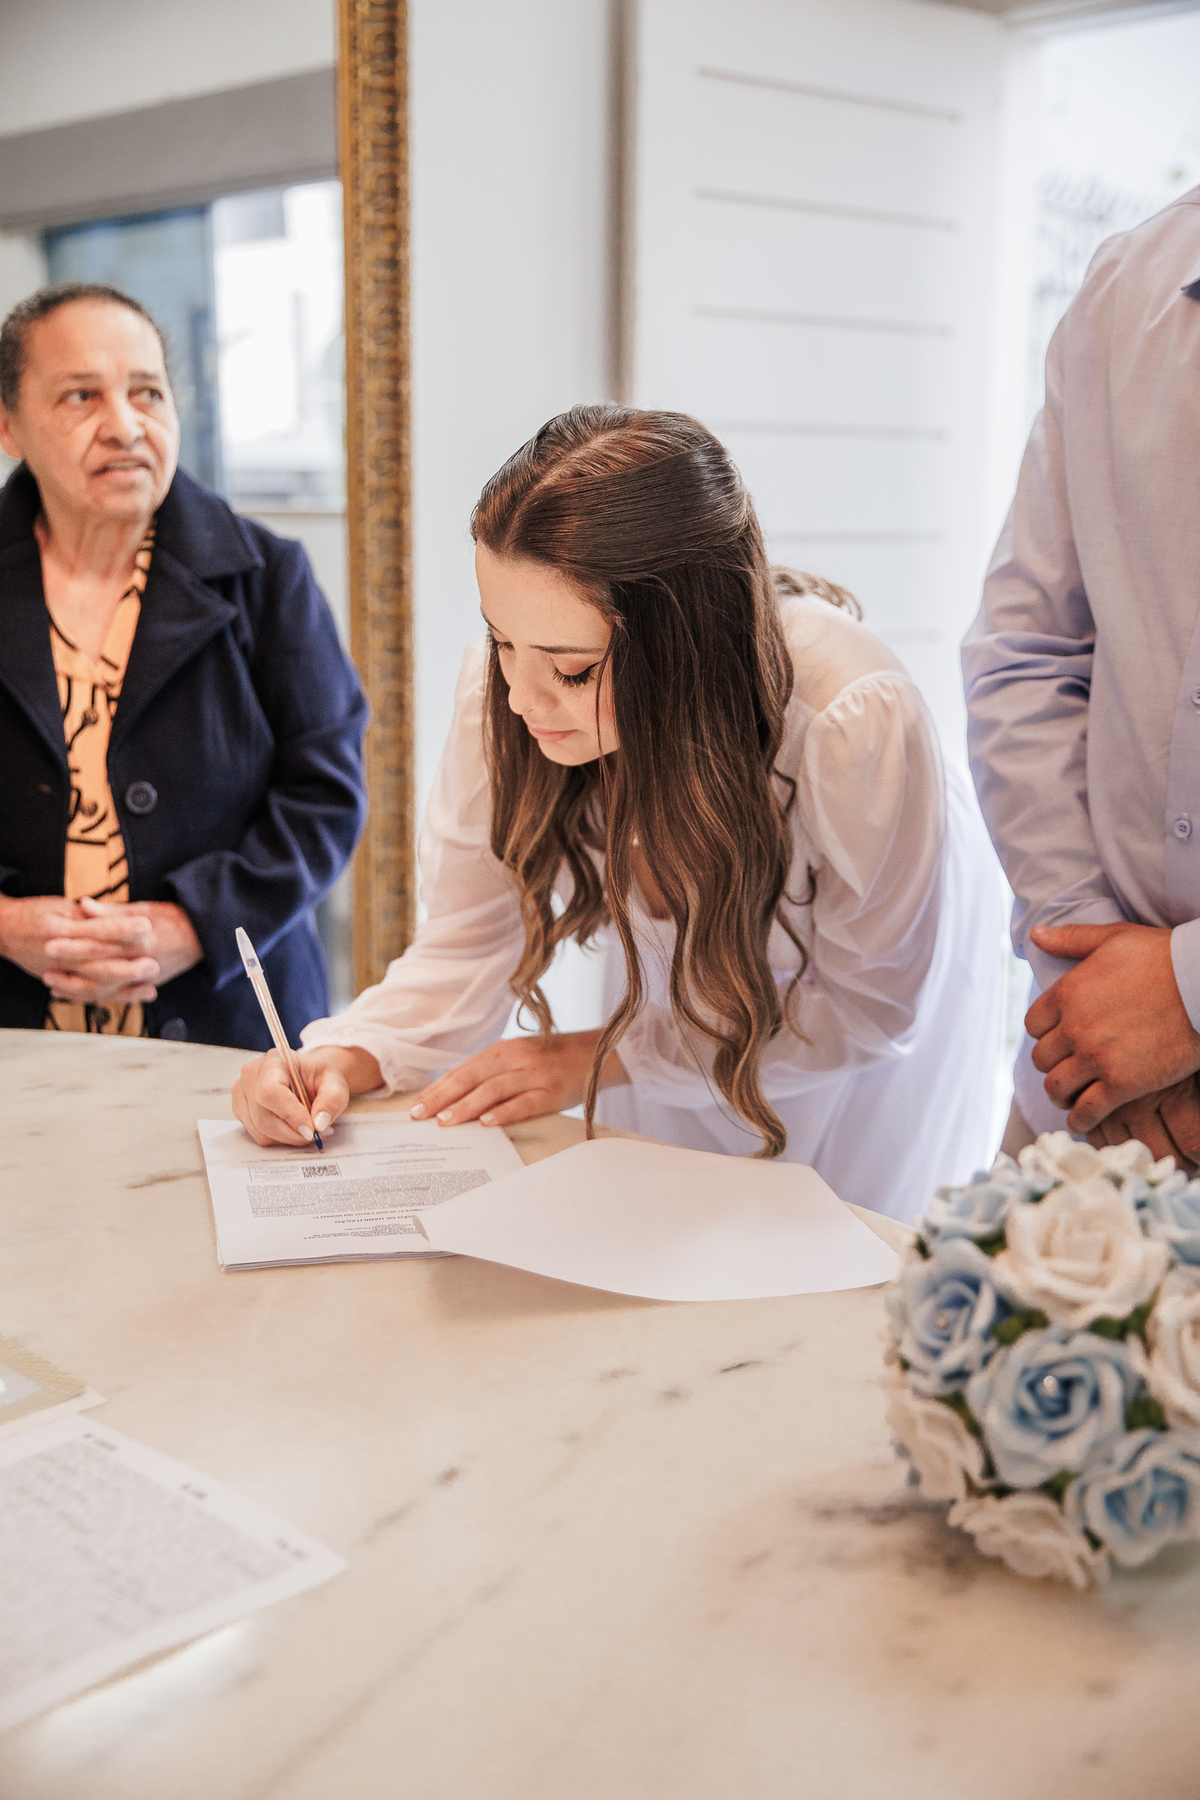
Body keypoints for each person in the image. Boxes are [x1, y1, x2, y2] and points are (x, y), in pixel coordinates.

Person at [234, 405, 1003, 1220]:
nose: (521, 700)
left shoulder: (852, 725)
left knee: (834, 1240)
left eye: (571, 670)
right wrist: (345, 1056)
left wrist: (603, 1055)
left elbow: (867, 1007)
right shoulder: (514, 693)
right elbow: (468, 937)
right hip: (681, 1017)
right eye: (500, 641)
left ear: (685, 646)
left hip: (854, 1040)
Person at [0, 282, 367, 1048]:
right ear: (10, 426)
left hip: (230, 1027)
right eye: (80, 396)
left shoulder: (268, 576)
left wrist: (199, 923)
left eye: (148, 392)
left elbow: (325, 795)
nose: (125, 426)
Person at [964, 186, 1200, 1166]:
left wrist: (1188, 993)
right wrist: (1089, 963)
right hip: (1084, 1084)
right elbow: (1024, 651)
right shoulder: (1124, 282)